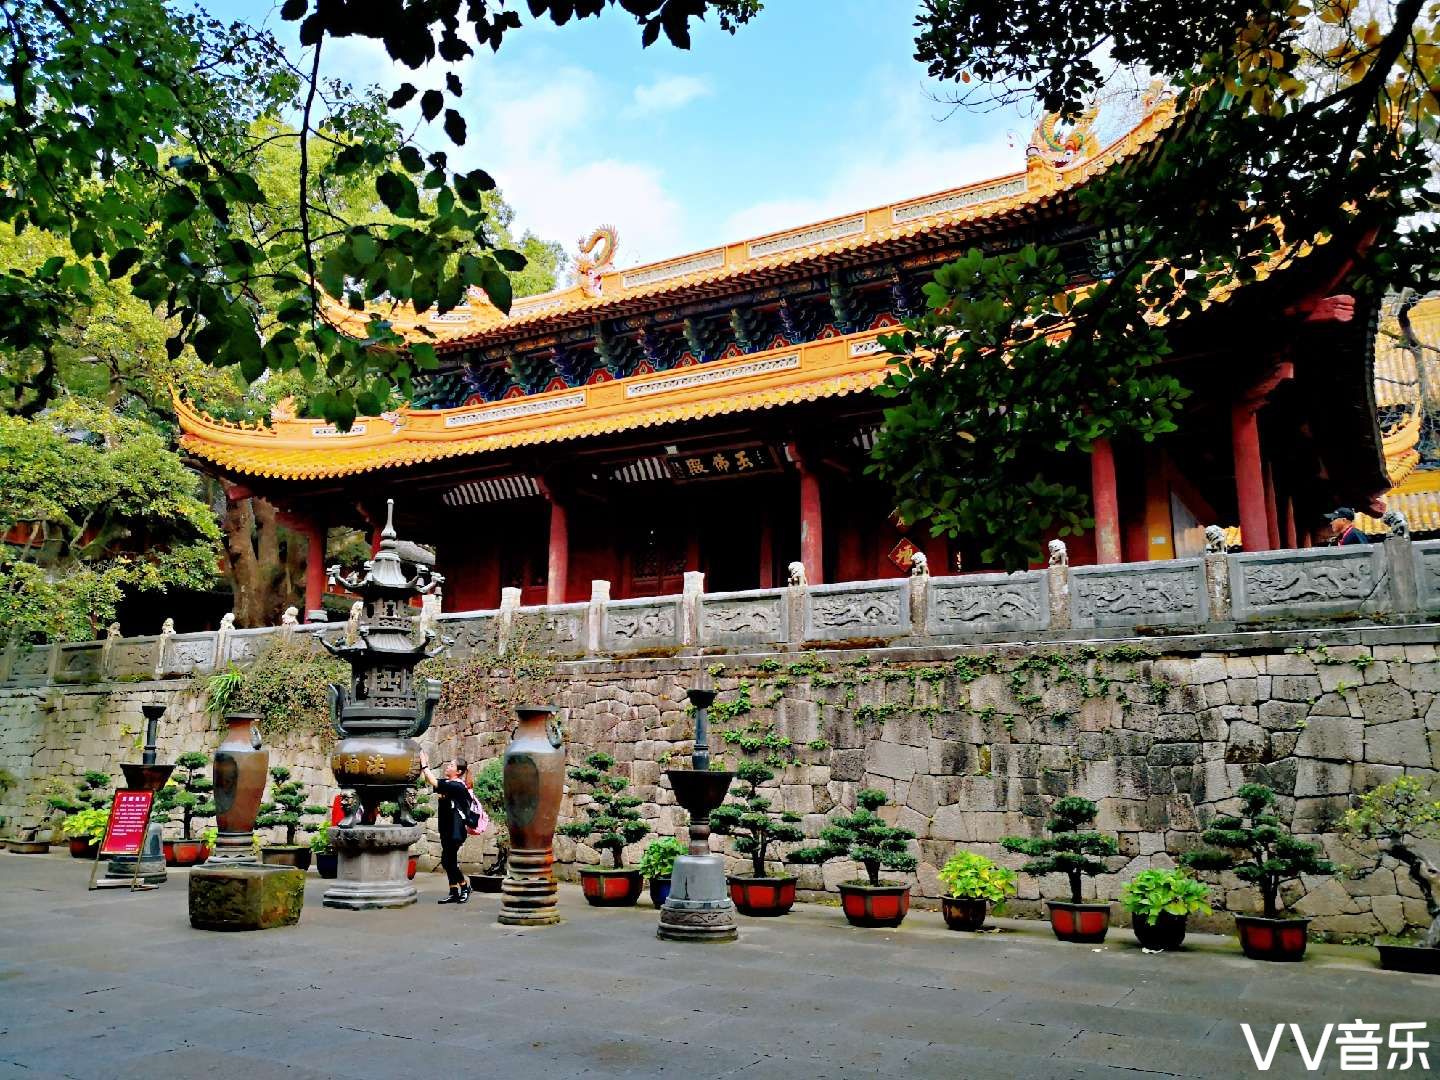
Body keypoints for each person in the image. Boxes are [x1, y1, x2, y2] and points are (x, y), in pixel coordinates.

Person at [419, 749, 471, 904]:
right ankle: (454, 891)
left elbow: (434, 781)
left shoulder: (457, 786)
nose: (448, 767)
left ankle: (464, 886)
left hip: (455, 831)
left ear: (459, 771)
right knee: (448, 860)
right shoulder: (448, 784)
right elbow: (428, 780)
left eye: (452, 765)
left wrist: (424, 764)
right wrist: (424, 768)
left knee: (448, 860)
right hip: (446, 829)